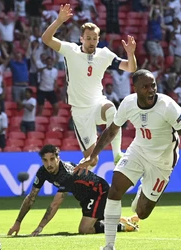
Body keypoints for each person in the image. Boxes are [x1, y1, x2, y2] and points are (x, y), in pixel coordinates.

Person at [76, 69, 181, 250]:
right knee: (115, 189)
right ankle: (109, 245)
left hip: (162, 161)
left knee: (142, 213)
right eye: (145, 87)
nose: (151, 90)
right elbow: (112, 130)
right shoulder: (128, 104)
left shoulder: (167, 105)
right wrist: (92, 155)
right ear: (135, 88)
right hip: (139, 150)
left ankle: (144, 188)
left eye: (153, 86)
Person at [41, 4, 137, 168]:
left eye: (95, 38)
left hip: (97, 103)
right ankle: (76, 183)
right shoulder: (71, 50)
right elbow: (46, 39)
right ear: (81, 39)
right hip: (80, 111)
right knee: (91, 160)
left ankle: (117, 155)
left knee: (112, 109)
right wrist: (59, 20)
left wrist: (130, 53)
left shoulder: (104, 54)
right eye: (88, 38)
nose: (92, 41)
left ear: (98, 40)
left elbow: (131, 68)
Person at [7, 144, 139, 236]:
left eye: (52, 159)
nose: (49, 164)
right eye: (45, 160)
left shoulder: (67, 173)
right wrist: (17, 223)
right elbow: (31, 197)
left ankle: (122, 226)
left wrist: (40, 227)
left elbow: (56, 203)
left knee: (85, 229)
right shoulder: (43, 172)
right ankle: (121, 220)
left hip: (98, 191)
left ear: (58, 158)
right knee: (93, 223)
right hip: (85, 197)